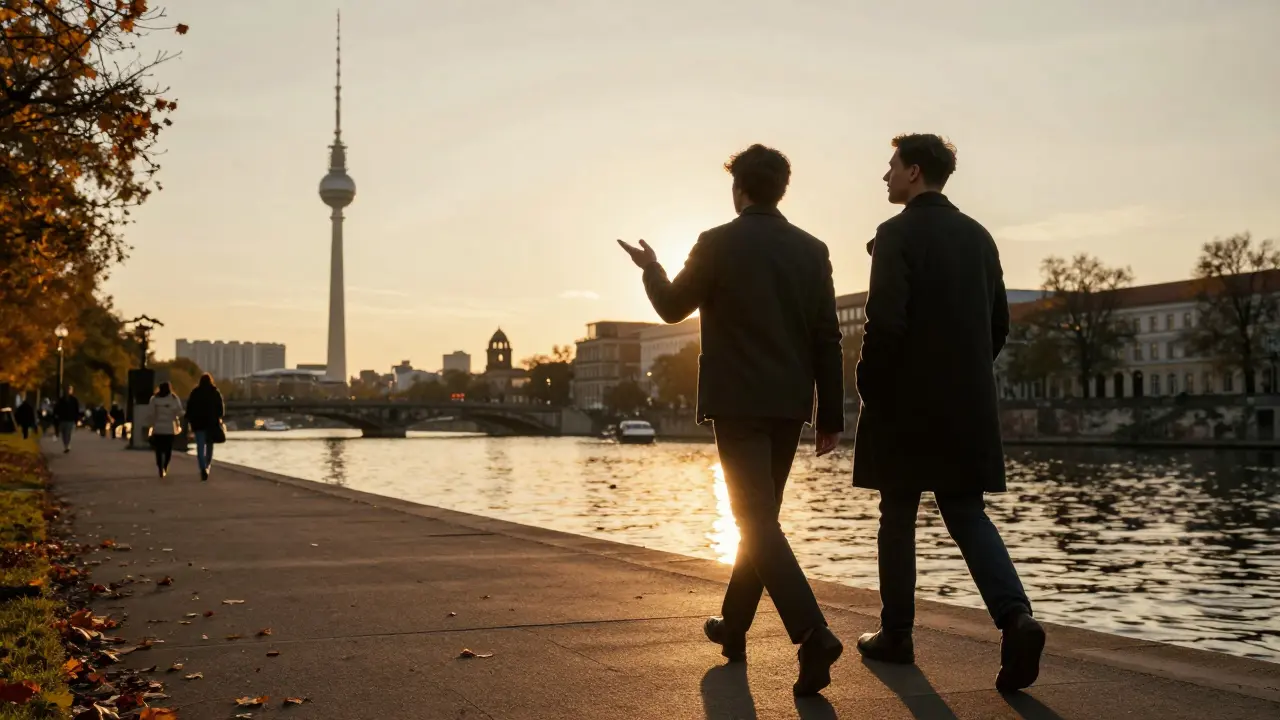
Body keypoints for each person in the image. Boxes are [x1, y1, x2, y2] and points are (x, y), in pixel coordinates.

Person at [617, 144, 845, 696]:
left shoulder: (715, 243)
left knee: (757, 521)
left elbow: (673, 309)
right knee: (759, 519)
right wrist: (831, 414)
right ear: (780, 190)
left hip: (737, 403)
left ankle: (813, 633)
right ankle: (734, 627)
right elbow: (827, 339)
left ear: (738, 189)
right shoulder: (813, 250)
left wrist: (651, 268)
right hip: (791, 405)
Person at [852, 134, 1044, 693]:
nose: (884, 176)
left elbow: (884, 324)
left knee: (897, 515)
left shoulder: (895, 234)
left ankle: (897, 633)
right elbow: (999, 323)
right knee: (966, 513)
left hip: (905, 402)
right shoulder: (979, 236)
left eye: (890, 167)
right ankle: (1016, 618)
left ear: (914, 172)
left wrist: (869, 385)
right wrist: (963, 373)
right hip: (967, 402)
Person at [185, 374, 225, 481]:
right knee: (210, 446)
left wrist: (189, 419)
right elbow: (221, 410)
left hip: (198, 424)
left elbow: (189, 408)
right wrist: (218, 417)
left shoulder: (195, 393)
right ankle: (207, 465)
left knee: (200, 446)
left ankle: (202, 467)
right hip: (211, 424)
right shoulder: (215, 392)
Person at [148, 382, 183, 478]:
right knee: (168, 449)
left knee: (158, 450)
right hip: (169, 429)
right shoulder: (174, 399)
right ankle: (165, 466)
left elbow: (151, 414)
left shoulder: (154, 399)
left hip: (158, 429)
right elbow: (179, 412)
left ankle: (160, 466)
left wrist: (151, 425)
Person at [53, 387, 80, 453]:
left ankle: (67, 445)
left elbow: (76, 410)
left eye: (69, 390)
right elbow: (57, 408)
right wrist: (56, 415)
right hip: (62, 419)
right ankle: (66, 444)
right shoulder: (61, 399)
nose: (68, 391)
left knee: (68, 433)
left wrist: (76, 419)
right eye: (67, 390)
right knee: (64, 433)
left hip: (70, 419)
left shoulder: (74, 400)